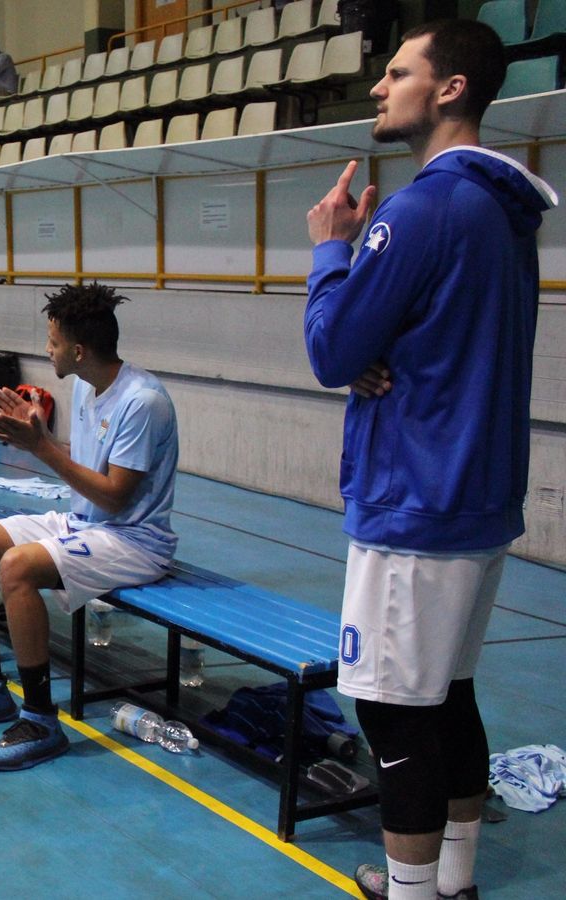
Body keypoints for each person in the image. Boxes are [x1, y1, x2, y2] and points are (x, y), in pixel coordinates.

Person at [301, 20, 556, 900]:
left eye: (397, 71)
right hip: (477, 498)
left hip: (416, 497)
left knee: (393, 712)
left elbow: (333, 354)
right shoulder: (498, 209)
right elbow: (415, 337)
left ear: (449, 90)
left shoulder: (419, 209)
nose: (378, 87)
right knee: (450, 697)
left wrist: (332, 248)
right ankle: (452, 885)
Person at [0, 283, 178, 771]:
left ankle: (41, 717)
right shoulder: (86, 385)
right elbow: (85, 480)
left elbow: (115, 495)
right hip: (86, 521)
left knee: (18, 566)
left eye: (53, 342)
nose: (47, 350)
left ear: (78, 350)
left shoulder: (143, 402)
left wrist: (40, 448)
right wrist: (38, 435)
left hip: (135, 539)